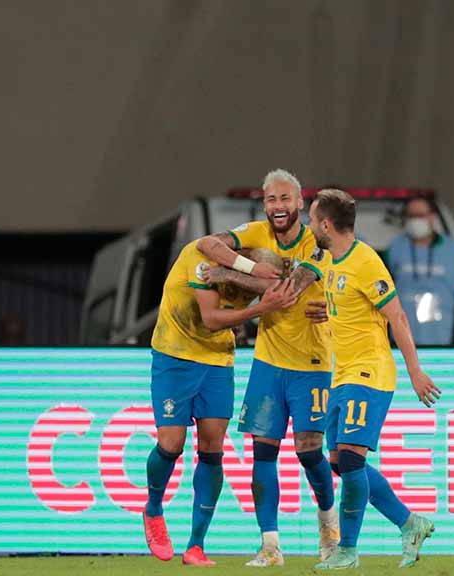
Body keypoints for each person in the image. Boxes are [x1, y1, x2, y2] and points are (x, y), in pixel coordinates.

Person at [197, 169, 340, 566]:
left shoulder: (316, 240)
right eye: (271, 200)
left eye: (285, 199)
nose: (278, 207)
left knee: (310, 453)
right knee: (264, 452)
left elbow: (289, 290)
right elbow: (208, 243)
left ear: (299, 202)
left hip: (313, 362)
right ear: (265, 205)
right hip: (268, 362)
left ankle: (329, 527)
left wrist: (227, 273)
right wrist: (244, 264)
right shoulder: (256, 233)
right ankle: (270, 545)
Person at [306, 189, 441, 570]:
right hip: (343, 373)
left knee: (350, 460)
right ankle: (409, 522)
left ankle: (346, 551)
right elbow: (351, 308)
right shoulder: (332, 260)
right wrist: (328, 313)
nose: (310, 225)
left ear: (326, 225)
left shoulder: (366, 262)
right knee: (339, 461)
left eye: (313, 219)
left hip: (369, 371)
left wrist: (415, 371)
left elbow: (396, 317)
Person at [143, 239, 295, 566]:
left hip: (217, 362)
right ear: (241, 261)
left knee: (213, 450)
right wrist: (259, 308)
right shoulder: (201, 259)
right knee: (171, 444)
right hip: (175, 357)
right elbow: (211, 318)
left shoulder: (252, 281)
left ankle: (196, 546)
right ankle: (154, 509)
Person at [384, 197, 454, 345]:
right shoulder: (394, 248)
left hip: (443, 335)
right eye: (411, 216)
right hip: (400, 338)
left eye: (420, 215)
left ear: (432, 216)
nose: (415, 220)